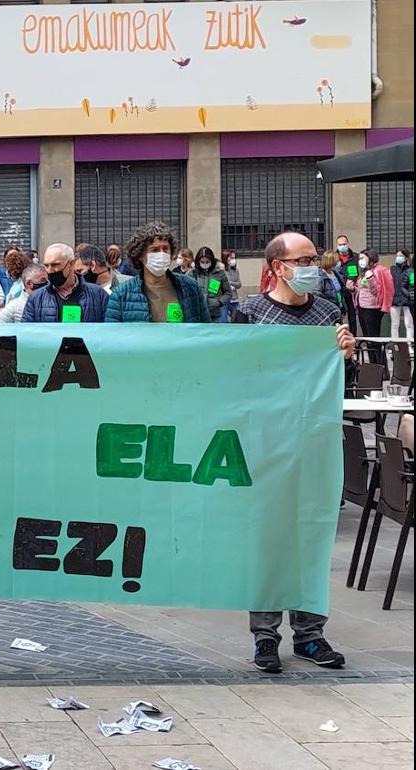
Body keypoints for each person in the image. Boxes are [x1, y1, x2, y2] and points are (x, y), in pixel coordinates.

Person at [234, 232, 356, 674]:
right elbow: (234, 375)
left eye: (314, 258)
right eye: (302, 259)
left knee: (311, 534)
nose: (312, 267)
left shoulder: (327, 313)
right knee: (266, 540)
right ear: (278, 266)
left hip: (314, 442)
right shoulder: (248, 312)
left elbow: (343, 375)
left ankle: (310, 634)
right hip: (265, 442)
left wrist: (346, 353)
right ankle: (265, 638)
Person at [104, 222, 209, 324]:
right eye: (155, 250)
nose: (161, 254)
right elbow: (112, 337)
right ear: (140, 255)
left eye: (165, 248)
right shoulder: (121, 295)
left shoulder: (191, 287)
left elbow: (206, 331)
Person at [22, 243, 109, 323]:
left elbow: (107, 332)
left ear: (71, 264)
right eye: (46, 265)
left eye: (55, 265)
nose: (50, 270)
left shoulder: (98, 295)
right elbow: (26, 333)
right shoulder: (35, 299)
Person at [353, 248, 394, 344]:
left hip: (372, 309)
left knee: (374, 337)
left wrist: (370, 279)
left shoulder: (378, 270)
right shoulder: (364, 271)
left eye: (363, 258)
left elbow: (376, 291)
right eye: (360, 258)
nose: (360, 261)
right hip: (361, 307)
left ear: (370, 258)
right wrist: (353, 289)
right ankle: (372, 359)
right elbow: (361, 288)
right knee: (367, 338)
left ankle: (379, 358)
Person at [190, 246, 231, 323]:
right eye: (202, 262)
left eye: (207, 262)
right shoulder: (192, 273)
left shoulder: (219, 273)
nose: (205, 264)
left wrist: (219, 302)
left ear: (212, 261)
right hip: (197, 314)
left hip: (214, 315)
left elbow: (228, 293)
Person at [332, 234, 361, 334]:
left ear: (348, 244)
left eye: (344, 244)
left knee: (352, 315)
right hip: (338, 290)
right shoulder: (334, 258)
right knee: (339, 314)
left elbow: (358, 272)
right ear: (337, 245)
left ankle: (353, 336)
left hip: (351, 290)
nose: (342, 246)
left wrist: (352, 280)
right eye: (340, 244)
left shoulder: (356, 257)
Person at [390, 248, 413, 338]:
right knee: (395, 324)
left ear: (406, 258)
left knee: (409, 324)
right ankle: (395, 344)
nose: (398, 258)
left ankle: (410, 344)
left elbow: (412, 284)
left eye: (401, 256)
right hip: (395, 299)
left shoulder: (411, 270)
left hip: (408, 300)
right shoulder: (392, 269)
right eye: (397, 256)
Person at [223, 250, 242, 320]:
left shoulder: (236, 270)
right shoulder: (220, 270)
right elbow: (214, 286)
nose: (233, 260)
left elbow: (239, 284)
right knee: (223, 321)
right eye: (231, 258)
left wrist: (229, 282)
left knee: (236, 320)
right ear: (225, 258)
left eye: (234, 258)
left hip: (234, 299)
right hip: (223, 299)